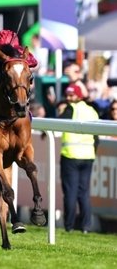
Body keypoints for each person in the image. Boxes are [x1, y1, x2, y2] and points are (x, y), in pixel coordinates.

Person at [58, 84, 100, 233]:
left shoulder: (71, 109)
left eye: (71, 96)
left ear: (78, 96)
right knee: (83, 193)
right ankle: (85, 227)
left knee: (70, 193)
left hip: (71, 155)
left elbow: (57, 123)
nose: (69, 99)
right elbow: (97, 137)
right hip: (88, 156)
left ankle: (69, 227)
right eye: (67, 96)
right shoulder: (92, 111)